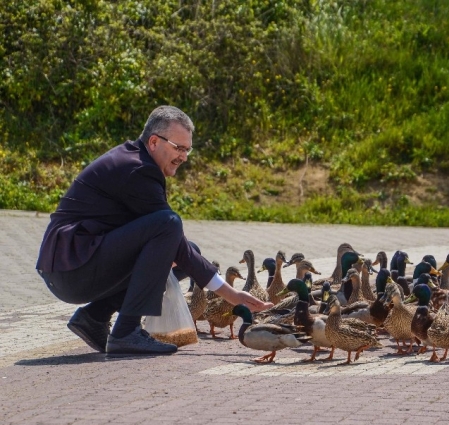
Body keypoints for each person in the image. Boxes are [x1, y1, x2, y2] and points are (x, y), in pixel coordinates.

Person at [36, 106, 272, 354]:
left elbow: (178, 248)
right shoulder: (137, 168)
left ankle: (94, 317)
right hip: (70, 269)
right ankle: (126, 332)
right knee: (168, 224)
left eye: (188, 149)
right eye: (178, 148)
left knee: (186, 252)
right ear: (154, 141)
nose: (184, 157)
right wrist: (230, 294)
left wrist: (226, 290)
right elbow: (167, 229)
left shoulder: (137, 160)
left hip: (73, 265)